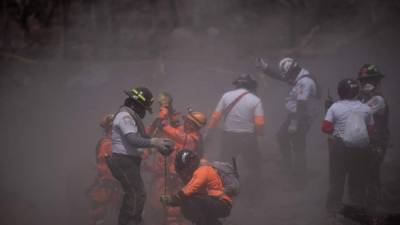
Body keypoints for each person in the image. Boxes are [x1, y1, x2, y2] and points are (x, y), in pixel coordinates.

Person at [107, 87, 174, 225]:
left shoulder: (128, 115)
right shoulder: (125, 116)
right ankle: (132, 222)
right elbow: (132, 139)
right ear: (135, 104)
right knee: (137, 194)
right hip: (123, 161)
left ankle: (126, 221)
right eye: (142, 108)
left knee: (132, 194)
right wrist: (155, 142)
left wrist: (158, 145)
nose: (143, 112)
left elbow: (140, 140)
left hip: (127, 161)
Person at [147, 92, 207, 225]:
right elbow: (176, 126)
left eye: (189, 123)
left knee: (174, 210)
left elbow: (173, 132)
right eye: (186, 121)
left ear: (195, 126)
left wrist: (162, 118)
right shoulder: (188, 133)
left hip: (181, 178)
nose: (185, 124)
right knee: (163, 205)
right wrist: (170, 108)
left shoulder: (192, 139)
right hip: (174, 175)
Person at [257, 57, 319, 182]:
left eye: (288, 74)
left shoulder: (305, 82)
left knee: (298, 144)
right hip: (296, 114)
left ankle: (300, 178)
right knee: (282, 137)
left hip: (302, 117)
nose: (287, 77)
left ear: (293, 70)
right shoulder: (298, 74)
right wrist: (266, 68)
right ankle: (288, 167)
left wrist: (294, 123)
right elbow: (282, 76)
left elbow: (301, 104)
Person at [322, 79, 374, 216]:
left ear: (340, 92)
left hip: (340, 149)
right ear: (356, 92)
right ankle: (357, 208)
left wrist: (328, 111)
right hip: (361, 149)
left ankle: (333, 209)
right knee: (358, 180)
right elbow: (370, 130)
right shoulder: (366, 108)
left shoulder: (334, 107)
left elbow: (326, 128)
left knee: (337, 180)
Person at [207, 74, 264, 190]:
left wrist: (209, 132)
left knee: (224, 165)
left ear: (237, 84)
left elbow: (215, 116)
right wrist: (259, 136)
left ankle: (223, 191)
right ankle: (254, 196)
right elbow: (259, 123)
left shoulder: (226, 96)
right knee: (253, 167)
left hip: (229, 136)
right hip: (248, 137)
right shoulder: (256, 100)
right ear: (250, 86)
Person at [160, 150, 232, 225]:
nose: (184, 172)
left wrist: (174, 198)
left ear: (189, 164)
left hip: (222, 204)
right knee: (191, 205)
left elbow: (191, 188)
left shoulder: (203, 170)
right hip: (214, 203)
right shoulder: (198, 171)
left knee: (190, 203)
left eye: (184, 168)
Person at [357, 64, 390, 210]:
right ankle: (372, 204)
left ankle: (374, 208)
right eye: (364, 81)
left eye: (371, 80)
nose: (366, 84)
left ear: (377, 82)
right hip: (367, 142)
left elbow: (359, 114)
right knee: (367, 174)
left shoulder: (378, 100)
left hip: (377, 143)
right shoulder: (363, 99)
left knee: (370, 173)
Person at [87, 114, 122, 225]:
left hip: (114, 186)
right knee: (98, 216)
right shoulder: (107, 143)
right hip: (108, 186)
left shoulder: (112, 143)